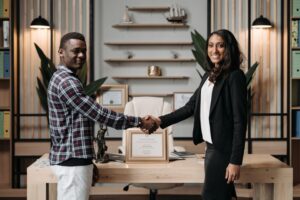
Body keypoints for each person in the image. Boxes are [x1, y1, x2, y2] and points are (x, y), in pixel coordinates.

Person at [47, 32, 157, 200]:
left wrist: (87, 161)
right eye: (76, 51)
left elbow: (75, 125)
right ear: (61, 52)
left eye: (84, 51)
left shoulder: (63, 78)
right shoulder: (66, 82)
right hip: (72, 164)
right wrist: (140, 121)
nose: (82, 55)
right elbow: (99, 114)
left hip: (73, 160)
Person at [148, 29, 247, 200]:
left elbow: (240, 121)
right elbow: (190, 107)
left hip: (223, 151)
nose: (214, 50)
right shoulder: (208, 76)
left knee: (211, 196)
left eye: (220, 46)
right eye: (210, 45)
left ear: (228, 49)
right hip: (210, 148)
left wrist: (235, 161)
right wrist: (159, 121)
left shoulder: (235, 76)